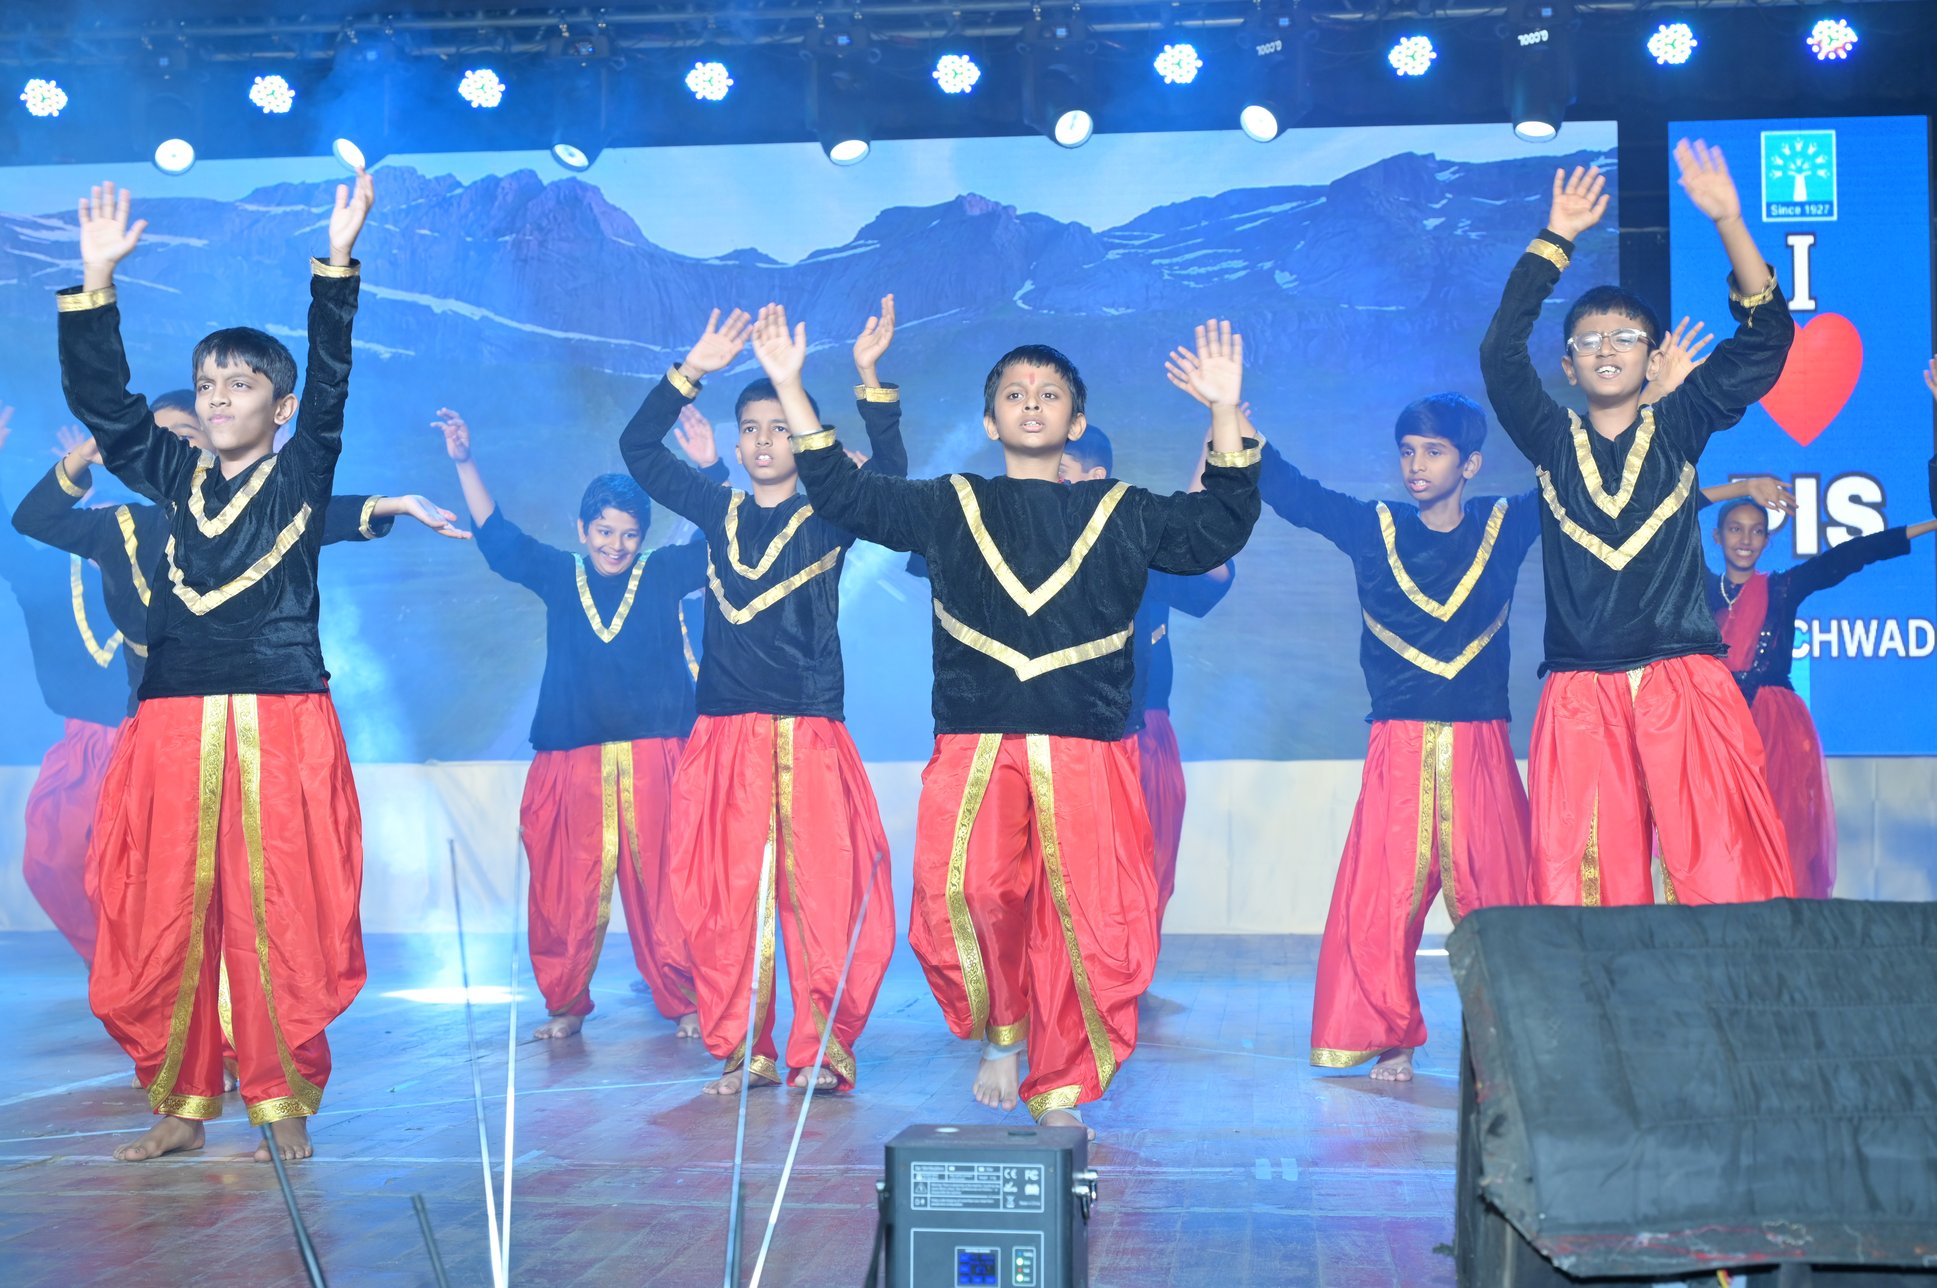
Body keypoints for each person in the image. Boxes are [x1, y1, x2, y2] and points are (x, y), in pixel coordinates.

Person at [784, 308, 1260, 1134]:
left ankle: (1062, 1083)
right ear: (989, 420)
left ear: (1075, 422)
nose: (1031, 403)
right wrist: (791, 386)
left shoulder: (1119, 512)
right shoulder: (951, 505)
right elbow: (844, 493)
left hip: (1087, 747)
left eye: (1048, 394)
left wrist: (1223, 410)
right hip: (978, 741)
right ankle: (1001, 1032)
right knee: (964, 892)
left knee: (1090, 921)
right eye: (1013, 393)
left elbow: (1216, 527)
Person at [56, 173, 374, 1163]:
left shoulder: (301, 472)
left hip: (281, 711)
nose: (219, 398)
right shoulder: (173, 474)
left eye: (240, 385)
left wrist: (334, 268)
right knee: (166, 907)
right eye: (207, 385)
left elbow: (332, 378)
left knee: (279, 905)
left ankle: (281, 1100)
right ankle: (180, 1102)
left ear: (279, 407)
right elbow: (108, 412)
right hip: (174, 713)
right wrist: (96, 285)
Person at [1479, 140, 1798, 907]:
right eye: (1587, 341)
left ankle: (1720, 992)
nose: (1605, 349)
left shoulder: (1680, 423)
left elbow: (1766, 340)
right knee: (1586, 896)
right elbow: (1499, 356)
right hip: (1580, 690)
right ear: (1568, 367)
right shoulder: (1550, 439)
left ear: (1653, 359)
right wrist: (1555, 238)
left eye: (1624, 337)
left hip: (1683, 679)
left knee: (1719, 880)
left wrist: (1727, 221)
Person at [618, 301, 904, 1095]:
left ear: (804, 436)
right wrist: (691, 371)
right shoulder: (716, 509)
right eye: (752, 429)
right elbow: (638, 449)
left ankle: (823, 1049)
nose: (766, 440)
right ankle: (746, 1049)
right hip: (722, 736)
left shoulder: (831, 514)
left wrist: (869, 377)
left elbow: (889, 476)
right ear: (738, 443)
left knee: (823, 895)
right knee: (724, 898)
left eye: (781, 427)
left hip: (808, 732)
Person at [436, 405, 724, 1041]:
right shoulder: (561, 573)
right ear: (582, 528)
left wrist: (711, 468)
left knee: (666, 886)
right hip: (573, 757)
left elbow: (723, 539)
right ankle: (565, 1004)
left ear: (644, 536)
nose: (615, 545)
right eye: (604, 531)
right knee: (565, 886)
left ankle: (684, 999)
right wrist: (465, 461)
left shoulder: (662, 572)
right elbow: (500, 541)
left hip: (655, 755)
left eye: (628, 534)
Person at [1704, 361, 1937, 897]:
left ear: (1767, 540)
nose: (1745, 539)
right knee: (1722, 844)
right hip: (1719, 726)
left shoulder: (1783, 588)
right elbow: (1670, 510)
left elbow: (1851, 555)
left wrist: (1927, 525)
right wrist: (1740, 487)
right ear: (1718, 538)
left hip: (1776, 730)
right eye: (1735, 529)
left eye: (1756, 531)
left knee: (1781, 842)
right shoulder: (1698, 589)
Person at [1055, 427, 1235, 933]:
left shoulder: (1135, 541)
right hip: (1063, 738)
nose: (1045, 484)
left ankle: (1130, 966)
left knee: (1144, 868)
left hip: (1143, 733)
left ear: (1096, 477)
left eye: (1060, 473)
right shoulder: (1031, 550)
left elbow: (1202, 551)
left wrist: (1213, 453)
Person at [0, 406, 128, 966]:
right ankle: (114, 967)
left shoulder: (164, 571)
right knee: (48, 863)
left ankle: (156, 976)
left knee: (128, 871)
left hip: (152, 743)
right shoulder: (51, 580)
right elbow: (9, 549)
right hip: (84, 746)